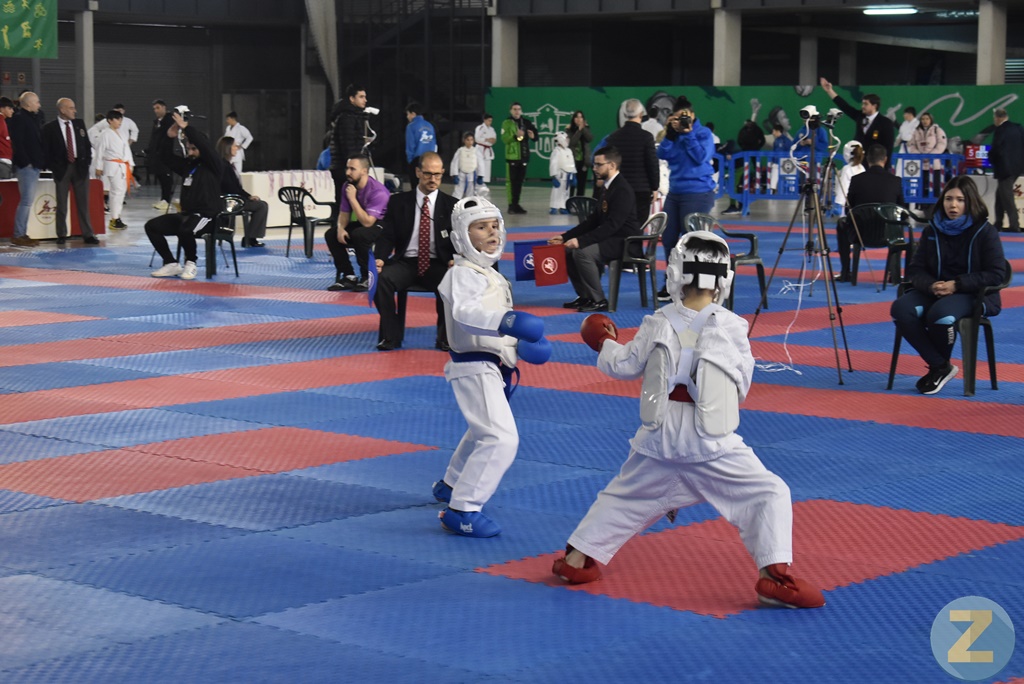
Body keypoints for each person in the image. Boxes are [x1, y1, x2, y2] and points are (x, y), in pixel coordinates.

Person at [551, 230, 826, 612]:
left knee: (622, 497)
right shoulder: (732, 325)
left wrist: (604, 342)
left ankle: (576, 560)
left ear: (675, 273)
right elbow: (741, 385)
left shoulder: (657, 321)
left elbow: (623, 365)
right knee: (768, 492)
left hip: (659, 433)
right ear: (725, 277)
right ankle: (775, 576)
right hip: (710, 438)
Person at [433, 196, 551, 538]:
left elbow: (494, 325)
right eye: (481, 227)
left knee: (480, 430)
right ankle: (463, 509)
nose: (492, 233)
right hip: (473, 367)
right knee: (500, 438)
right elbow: (466, 315)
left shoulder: (489, 274)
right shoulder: (461, 274)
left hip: (491, 365)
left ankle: (451, 483)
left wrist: (518, 346)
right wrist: (507, 321)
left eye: (495, 226)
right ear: (462, 235)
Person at [890, 175, 1007, 394]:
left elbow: (996, 274)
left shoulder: (986, 231)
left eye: (960, 200)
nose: (953, 205)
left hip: (973, 293)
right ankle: (940, 366)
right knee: (900, 309)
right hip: (935, 291)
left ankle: (937, 368)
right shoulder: (931, 230)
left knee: (940, 315)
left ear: (970, 201)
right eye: (949, 199)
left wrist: (957, 284)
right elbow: (915, 270)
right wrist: (931, 285)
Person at [372, 151, 456, 351]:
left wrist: (455, 259)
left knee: (454, 281)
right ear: (418, 172)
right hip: (406, 262)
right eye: (428, 174)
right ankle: (391, 335)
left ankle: (445, 337)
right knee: (379, 280)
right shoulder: (398, 202)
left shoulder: (453, 205)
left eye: (437, 174)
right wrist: (380, 258)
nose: (433, 179)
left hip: (438, 263)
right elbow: (387, 235)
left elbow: (459, 240)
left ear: (442, 173)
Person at [548, 146, 640, 313]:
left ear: (612, 165)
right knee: (567, 250)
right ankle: (585, 296)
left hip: (625, 242)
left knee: (582, 252)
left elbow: (612, 225)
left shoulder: (622, 190)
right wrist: (565, 237)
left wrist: (581, 241)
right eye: (594, 165)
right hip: (612, 237)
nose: (595, 168)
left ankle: (599, 300)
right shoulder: (607, 187)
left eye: (599, 165)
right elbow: (593, 221)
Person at [145, 112, 223, 280]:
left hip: (207, 216)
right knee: (151, 226)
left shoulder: (214, 164)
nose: (190, 152)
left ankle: (191, 263)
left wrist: (187, 128)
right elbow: (165, 157)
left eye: (194, 149)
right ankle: (171, 263)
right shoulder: (188, 165)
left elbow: (204, 146)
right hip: (187, 214)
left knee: (186, 228)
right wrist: (169, 137)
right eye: (188, 148)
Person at [656, 96, 716, 301]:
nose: (682, 120)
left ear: (692, 115)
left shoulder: (703, 133)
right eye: (678, 117)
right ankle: (672, 281)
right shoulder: (673, 135)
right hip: (675, 193)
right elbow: (663, 154)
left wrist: (688, 134)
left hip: (699, 191)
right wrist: (670, 134)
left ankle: (695, 286)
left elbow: (700, 157)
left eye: (685, 116)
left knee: (692, 241)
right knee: (669, 238)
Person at [835, 143, 905, 282]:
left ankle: (845, 272)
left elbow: (849, 209)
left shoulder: (857, 180)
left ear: (867, 159)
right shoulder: (895, 181)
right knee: (898, 225)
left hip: (859, 234)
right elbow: (902, 211)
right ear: (885, 159)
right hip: (888, 235)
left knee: (841, 223)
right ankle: (894, 274)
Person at [325, 153, 389, 291]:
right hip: (363, 221)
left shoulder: (378, 191)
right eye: (347, 168)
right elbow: (344, 213)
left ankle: (367, 276)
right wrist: (340, 228)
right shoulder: (348, 186)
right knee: (331, 234)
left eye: (352, 169)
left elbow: (368, 223)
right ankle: (349, 276)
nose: (348, 172)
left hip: (381, 225)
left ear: (364, 171)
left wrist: (353, 199)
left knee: (360, 234)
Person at [42, 98, 99, 245]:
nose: (75, 111)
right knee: (61, 203)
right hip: (62, 168)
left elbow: (86, 145)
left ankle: (88, 234)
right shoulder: (49, 128)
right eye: (71, 108)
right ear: (62, 110)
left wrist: (86, 162)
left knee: (83, 203)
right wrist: (53, 166)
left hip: (80, 167)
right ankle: (61, 233)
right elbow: (46, 151)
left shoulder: (79, 124)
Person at [819, 78, 896, 169]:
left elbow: (888, 148)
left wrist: (884, 169)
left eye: (866, 104)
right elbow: (845, 106)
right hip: (857, 165)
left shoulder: (885, 123)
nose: (862, 106)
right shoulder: (860, 117)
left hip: (875, 166)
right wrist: (830, 91)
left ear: (874, 106)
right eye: (862, 104)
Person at [606, 98, 660, 225]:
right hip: (641, 189)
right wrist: (655, 187)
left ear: (625, 115)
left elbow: (609, 165)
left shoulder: (613, 138)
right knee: (638, 226)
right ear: (641, 114)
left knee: (620, 225)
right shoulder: (646, 137)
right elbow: (652, 164)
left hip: (619, 189)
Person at [216, 135, 269, 249]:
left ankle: (251, 237)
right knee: (261, 206)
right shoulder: (224, 166)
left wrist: (248, 196)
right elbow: (232, 188)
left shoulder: (226, 165)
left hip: (233, 198)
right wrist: (246, 197)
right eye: (234, 146)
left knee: (260, 204)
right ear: (227, 148)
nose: (237, 148)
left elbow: (236, 188)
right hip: (230, 201)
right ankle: (251, 238)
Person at [7, 92, 45, 247]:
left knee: (28, 201)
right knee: (26, 201)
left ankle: (22, 233)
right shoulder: (19, 119)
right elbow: (17, 143)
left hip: (34, 165)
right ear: (28, 104)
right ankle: (18, 234)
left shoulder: (32, 118)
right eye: (37, 102)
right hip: (27, 166)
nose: (39, 105)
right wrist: (26, 162)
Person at [330, 84, 372, 221]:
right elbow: (348, 146)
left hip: (344, 167)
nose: (365, 100)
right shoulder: (347, 118)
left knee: (347, 203)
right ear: (352, 99)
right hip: (345, 168)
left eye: (365, 97)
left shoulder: (352, 116)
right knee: (345, 204)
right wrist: (353, 168)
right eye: (361, 97)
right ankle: (341, 230)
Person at [93, 110, 135, 231]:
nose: (119, 122)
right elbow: (100, 151)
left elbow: (127, 150)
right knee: (116, 192)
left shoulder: (121, 134)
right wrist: (98, 167)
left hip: (123, 165)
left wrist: (131, 164)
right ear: (110, 121)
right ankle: (114, 218)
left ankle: (117, 217)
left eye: (120, 119)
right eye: (117, 119)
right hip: (112, 165)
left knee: (121, 192)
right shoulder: (105, 134)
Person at [989, 108, 1024, 233]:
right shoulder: (1018, 128)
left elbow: (997, 149)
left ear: (997, 118)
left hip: (1005, 169)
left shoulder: (1000, 130)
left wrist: (991, 159)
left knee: (1007, 197)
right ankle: (998, 223)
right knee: (1000, 195)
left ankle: (1014, 225)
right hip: (1017, 168)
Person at [501, 102, 537, 214]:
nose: (517, 111)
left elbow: (535, 135)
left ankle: (516, 204)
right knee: (511, 182)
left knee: (519, 182)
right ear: (511, 111)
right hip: (512, 157)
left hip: (523, 156)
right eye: (514, 109)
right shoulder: (506, 123)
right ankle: (511, 205)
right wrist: (515, 136)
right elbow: (504, 139)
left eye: (519, 109)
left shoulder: (526, 122)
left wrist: (533, 136)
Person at [909, 112, 948, 198]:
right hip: (920, 165)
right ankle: (921, 205)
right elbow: (912, 145)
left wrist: (930, 156)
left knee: (935, 189)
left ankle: (935, 204)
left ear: (931, 120)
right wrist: (920, 156)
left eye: (927, 119)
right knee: (921, 189)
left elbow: (942, 144)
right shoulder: (916, 131)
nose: (925, 121)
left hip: (934, 166)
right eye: (922, 119)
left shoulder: (937, 130)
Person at [147, 100, 175, 212]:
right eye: (154, 108)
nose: (156, 110)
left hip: (165, 154)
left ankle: (167, 200)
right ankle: (163, 199)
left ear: (164, 107)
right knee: (160, 176)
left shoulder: (169, 120)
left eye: (158, 108)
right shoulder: (157, 122)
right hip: (156, 154)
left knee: (166, 177)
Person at [405, 102, 436, 189]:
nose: (407, 117)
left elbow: (410, 146)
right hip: (430, 159)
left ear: (413, 114)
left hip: (417, 160)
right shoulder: (430, 125)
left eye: (408, 114)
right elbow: (434, 143)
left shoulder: (411, 126)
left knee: (416, 187)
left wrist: (410, 161)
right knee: (428, 186)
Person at [833, 140, 865, 216]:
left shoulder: (847, 169)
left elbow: (843, 188)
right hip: (860, 205)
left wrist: (838, 203)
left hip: (847, 206)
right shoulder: (862, 168)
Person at [566, 110, 593, 198]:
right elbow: (572, 143)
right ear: (573, 119)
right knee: (572, 185)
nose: (579, 119)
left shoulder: (586, 128)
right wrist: (579, 130)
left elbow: (590, 138)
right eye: (577, 117)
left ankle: (579, 202)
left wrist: (583, 129)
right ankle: (569, 202)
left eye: (581, 117)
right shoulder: (569, 130)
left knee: (581, 185)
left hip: (583, 161)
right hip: (572, 161)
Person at [548, 130, 577, 215]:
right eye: (566, 138)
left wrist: (574, 174)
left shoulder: (569, 151)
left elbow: (572, 163)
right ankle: (554, 206)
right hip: (559, 175)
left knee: (566, 192)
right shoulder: (557, 151)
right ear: (561, 139)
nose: (568, 140)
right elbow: (553, 164)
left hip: (568, 175)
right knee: (557, 192)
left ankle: (564, 206)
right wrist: (553, 176)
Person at [450, 131, 484, 200]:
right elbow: (455, 162)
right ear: (464, 140)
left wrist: (480, 175)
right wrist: (455, 175)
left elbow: (480, 163)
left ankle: (469, 205)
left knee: (470, 194)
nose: (470, 142)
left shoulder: (476, 151)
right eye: (468, 140)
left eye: (471, 140)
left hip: (471, 175)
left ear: (473, 141)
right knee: (457, 193)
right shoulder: (460, 150)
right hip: (461, 175)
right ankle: (454, 204)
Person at [224, 111, 253, 176]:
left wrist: (242, 146)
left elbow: (250, 138)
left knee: (237, 172)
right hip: (228, 151)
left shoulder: (241, 128)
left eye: (228, 119)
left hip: (237, 151)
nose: (227, 121)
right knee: (228, 171)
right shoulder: (228, 128)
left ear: (233, 119)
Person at [768, 123, 793, 193]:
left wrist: (789, 161)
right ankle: (772, 192)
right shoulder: (776, 141)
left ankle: (792, 191)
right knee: (773, 177)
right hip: (776, 163)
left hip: (785, 163)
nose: (773, 133)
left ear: (778, 131)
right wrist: (773, 161)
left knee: (789, 178)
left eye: (774, 131)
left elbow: (790, 151)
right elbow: (774, 151)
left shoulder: (786, 140)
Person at [895, 106, 919, 178]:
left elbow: (914, 135)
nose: (903, 115)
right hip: (903, 146)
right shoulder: (904, 123)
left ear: (910, 114)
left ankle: (913, 183)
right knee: (900, 165)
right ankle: (899, 181)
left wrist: (910, 140)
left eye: (905, 114)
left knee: (912, 165)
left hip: (912, 147)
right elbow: (901, 133)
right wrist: (897, 140)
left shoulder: (917, 123)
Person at [474, 113, 497, 184]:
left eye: (491, 121)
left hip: (488, 150)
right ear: (484, 120)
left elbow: (494, 139)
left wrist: (491, 140)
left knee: (487, 167)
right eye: (489, 120)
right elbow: (477, 139)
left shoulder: (492, 129)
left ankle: (484, 183)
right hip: (480, 149)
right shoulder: (480, 128)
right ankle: (477, 182)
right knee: (479, 166)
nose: (490, 122)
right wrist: (487, 139)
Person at [0, 97, 14, 181]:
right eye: (9, 108)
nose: (12, 111)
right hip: (2, 162)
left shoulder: (3, 121)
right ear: (2, 109)